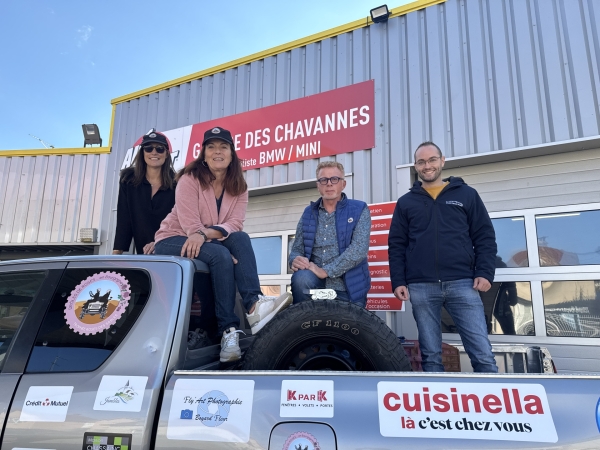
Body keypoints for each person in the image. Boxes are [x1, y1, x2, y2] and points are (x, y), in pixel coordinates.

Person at [154, 126, 292, 363]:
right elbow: (190, 225)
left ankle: (254, 306)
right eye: (211, 147)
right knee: (220, 254)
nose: (217, 151)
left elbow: (235, 224)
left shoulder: (239, 185)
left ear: (232, 153)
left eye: (223, 146)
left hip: (205, 238)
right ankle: (228, 331)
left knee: (241, 238)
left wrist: (206, 236)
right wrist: (210, 239)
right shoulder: (189, 179)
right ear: (204, 154)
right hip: (172, 239)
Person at [388, 141, 498, 373]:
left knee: (483, 354)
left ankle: (491, 406)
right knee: (431, 357)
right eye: (421, 162)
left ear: (442, 161)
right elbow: (397, 245)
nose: (427, 165)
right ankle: (436, 406)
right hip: (421, 286)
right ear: (416, 166)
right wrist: (398, 280)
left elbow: (484, 236)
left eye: (432, 160)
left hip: (463, 283)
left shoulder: (467, 195)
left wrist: (485, 272)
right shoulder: (406, 202)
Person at [288, 161, 371, 306]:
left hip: (348, 287)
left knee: (350, 328)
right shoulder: (308, 213)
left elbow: (359, 249)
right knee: (300, 279)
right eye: (323, 180)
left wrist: (326, 271)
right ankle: (304, 324)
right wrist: (295, 260)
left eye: (334, 179)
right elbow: (296, 250)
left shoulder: (359, 209)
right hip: (313, 285)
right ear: (318, 185)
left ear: (343, 184)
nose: (329, 184)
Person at [113, 130, 175, 255]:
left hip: (171, 251)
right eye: (148, 148)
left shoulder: (178, 183)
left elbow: (180, 221)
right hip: (143, 255)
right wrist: (116, 254)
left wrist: (159, 241)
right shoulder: (128, 181)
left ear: (167, 154)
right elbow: (124, 219)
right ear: (142, 153)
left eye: (160, 149)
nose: (154, 152)